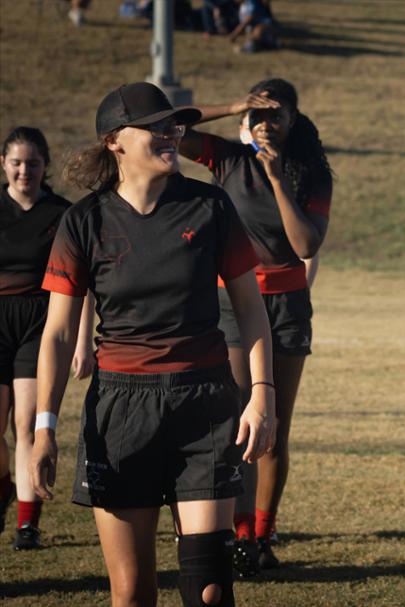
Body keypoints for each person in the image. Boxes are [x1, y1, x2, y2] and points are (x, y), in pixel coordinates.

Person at [29, 82, 275, 607]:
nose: (172, 135)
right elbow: (55, 334)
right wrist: (44, 426)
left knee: (208, 587)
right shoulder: (83, 222)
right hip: (121, 410)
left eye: (175, 125)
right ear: (115, 140)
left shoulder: (210, 206)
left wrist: (261, 393)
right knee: (133, 592)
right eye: (158, 127)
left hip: (204, 403)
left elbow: (251, 310)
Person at [179, 78, 332, 575]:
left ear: (294, 120)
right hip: (229, 303)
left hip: (286, 304)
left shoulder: (310, 173)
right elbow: (168, 127)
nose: (267, 123)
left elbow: (306, 245)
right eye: (259, 114)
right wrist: (231, 106)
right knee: (235, 420)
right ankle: (239, 533)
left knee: (272, 427)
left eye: (277, 114)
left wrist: (278, 179)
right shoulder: (227, 159)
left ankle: (262, 536)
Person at [0, 127, 94, 549]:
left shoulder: (61, 214)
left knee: (26, 424)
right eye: (17, 162)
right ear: (3, 164)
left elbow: (84, 283)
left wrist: (83, 340)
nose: (25, 171)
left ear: (45, 167)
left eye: (33, 163)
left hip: (39, 320)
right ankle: (6, 487)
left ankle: (26, 523)